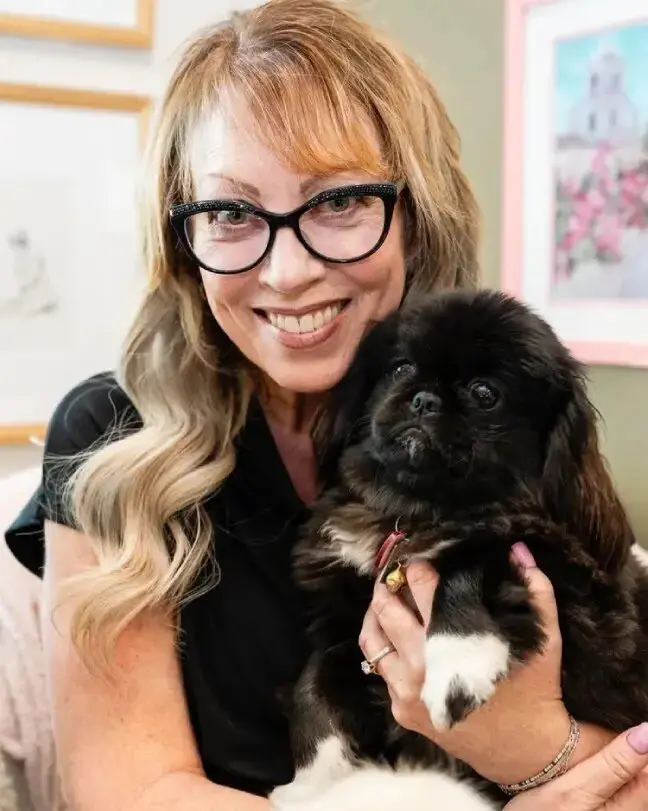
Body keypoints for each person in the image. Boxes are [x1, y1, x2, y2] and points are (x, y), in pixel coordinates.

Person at [3, 1, 647, 809]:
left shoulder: (504, 416)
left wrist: (530, 745)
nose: (287, 270)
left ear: (415, 213)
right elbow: (133, 790)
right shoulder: (112, 440)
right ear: (181, 240)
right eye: (232, 213)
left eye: (338, 201)